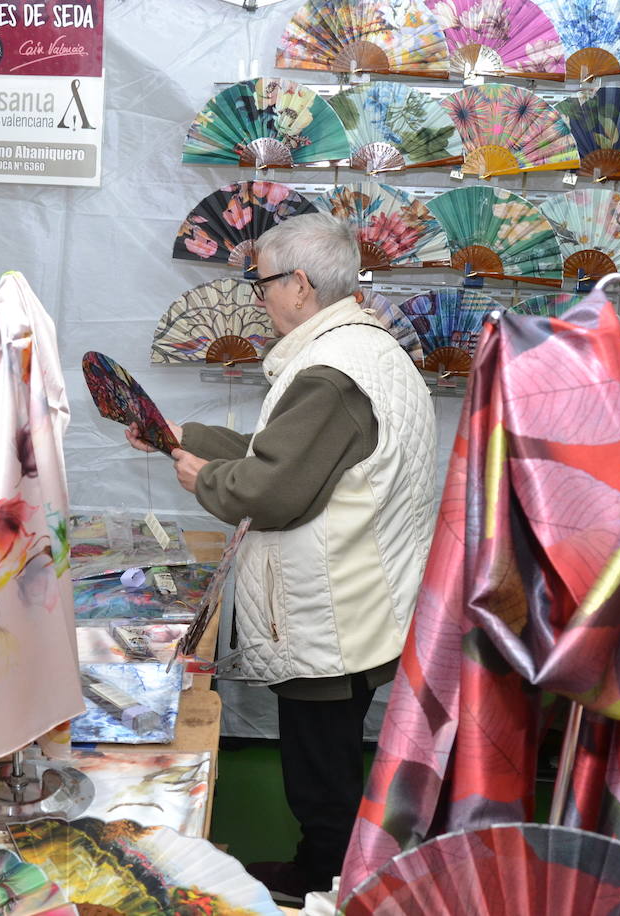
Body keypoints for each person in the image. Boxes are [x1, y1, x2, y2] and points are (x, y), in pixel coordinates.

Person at [126, 213, 438, 902]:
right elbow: (287, 454)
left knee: (318, 769)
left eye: (261, 282)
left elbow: (270, 492)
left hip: (333, 614)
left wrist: (200, 476)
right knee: (326, 759)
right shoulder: (363, 351)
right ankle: (331, 865)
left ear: (299, 284)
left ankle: (328, 882)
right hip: (357, 601)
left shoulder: (331, 374)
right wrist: (187, 436)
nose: (256, 297)